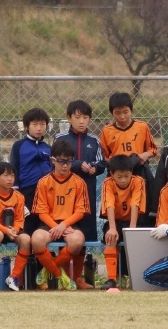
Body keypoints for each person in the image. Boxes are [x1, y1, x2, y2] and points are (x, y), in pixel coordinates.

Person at [54, 99, 104, 289]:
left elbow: (101, 163)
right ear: (69, 118)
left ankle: (77, 278)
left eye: (85, 117)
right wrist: (76, 164)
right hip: (65, 194)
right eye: (77, 117)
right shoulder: (60, 138)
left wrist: (94, 168)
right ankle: (61, 275)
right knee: (66, 235)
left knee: (83, 236)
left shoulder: (94, 140)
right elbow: (54, 159)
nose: (81, 121)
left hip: (87, 192)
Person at [31, 138, 91, 291]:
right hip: (49, 224)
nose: (65, 165)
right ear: (53, 160)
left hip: (69, 224)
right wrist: (56, 227)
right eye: (61, 161)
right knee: (36, 240)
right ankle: (60, 275)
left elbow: (80, 211)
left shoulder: (79, 182)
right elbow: (41, 212)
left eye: (69, 161)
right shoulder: (44, 182)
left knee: (77, 241)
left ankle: (47, 270)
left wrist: (63, 225)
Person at [100, 91, 158, 225]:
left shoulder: (142, 127)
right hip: (118, 174)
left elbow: (153, 150)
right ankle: (116, 231)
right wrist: (115, 162)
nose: (122, 116)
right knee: (117, 207)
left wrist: (144, 155)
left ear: (131, 110)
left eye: (125, 112)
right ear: (111, 113)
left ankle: (138, 232)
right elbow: (103, 156)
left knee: (141, 209)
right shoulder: (107, 131)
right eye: (117, 113)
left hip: (138, 171)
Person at [0, 161, 32, 291]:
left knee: (26, 239)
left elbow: (20, 218)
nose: (10, 179)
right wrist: (5, 230)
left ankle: (14, 277)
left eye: (12, 175)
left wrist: (15, 229)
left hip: (12, 230)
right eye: (5, 175)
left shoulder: (19, 196)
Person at [101, 154, 145, 291]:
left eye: (126, 176)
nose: (123, 180)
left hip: (133, 221)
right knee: (110, 237)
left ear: (131, 172)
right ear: (112, 174)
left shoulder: (138, 181)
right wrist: (112, 228)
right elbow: (109, 204)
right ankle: (111, 279)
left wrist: (132, 229)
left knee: (136, 240)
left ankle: (136, 278)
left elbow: (135, 203)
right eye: (119, 177)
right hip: (115, 221)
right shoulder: (107, 183)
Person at [9, 107, 51, 235]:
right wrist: (16, 192)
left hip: (46, 191)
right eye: (35, 124)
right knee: (28, 224)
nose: (39, 128)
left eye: (42, 124)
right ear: (27, 126)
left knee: (44, 223)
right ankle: (28, 246)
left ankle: (42, 245)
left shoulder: (48, 148)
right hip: (27, 191)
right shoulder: (19, 145)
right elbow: (14, 168)